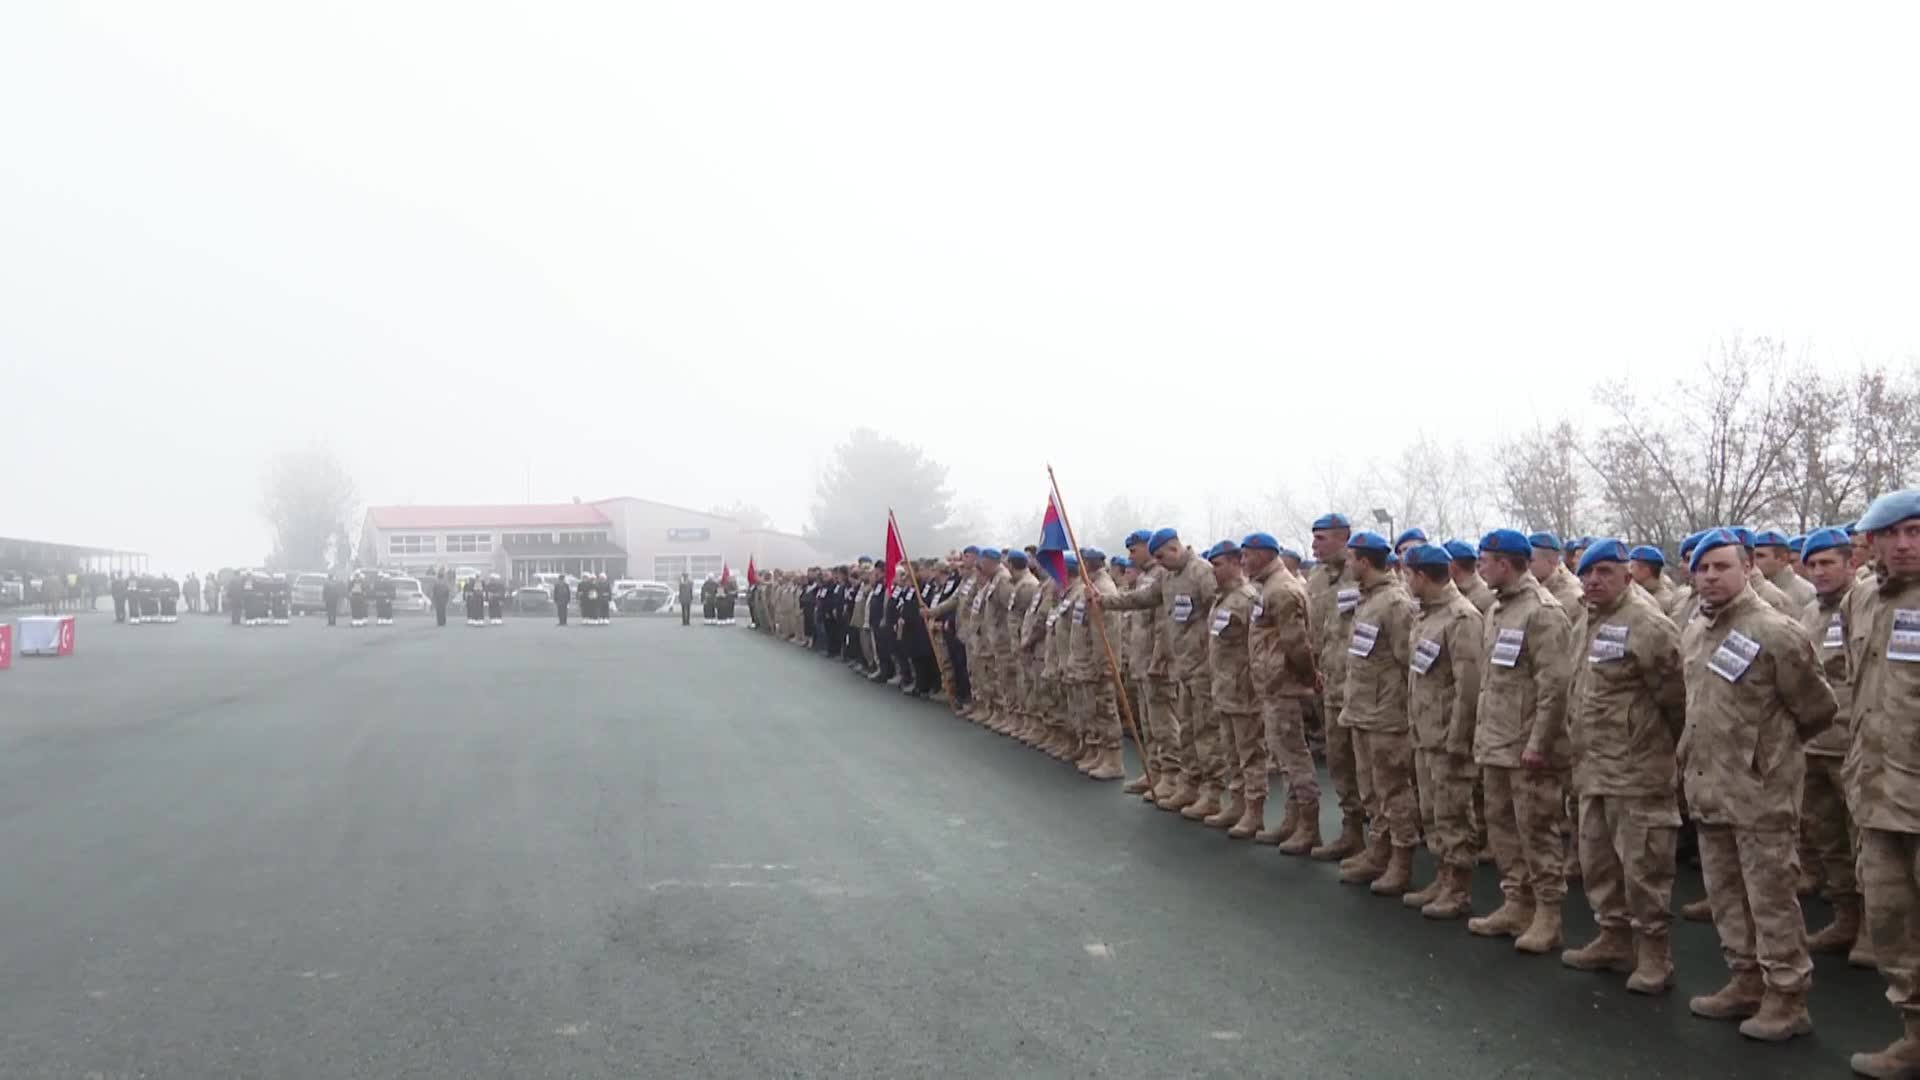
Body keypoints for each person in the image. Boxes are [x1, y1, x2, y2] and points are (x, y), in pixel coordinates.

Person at [1679, 528, 1836, 1042]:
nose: (1710, 577)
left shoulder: (1777, 631)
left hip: (1761, 793)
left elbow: (1817, 710)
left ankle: (1788, 998)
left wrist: (1765, 756)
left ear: (1748, 569)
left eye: (1722, 566)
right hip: (1709, 787)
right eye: (1702, 568)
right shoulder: (1695, 631)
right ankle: (1746, 982)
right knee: (1725, 895)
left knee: (1770, 898)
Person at [1560, 539, 1686, 994]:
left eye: (1607, 572)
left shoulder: (1649, 624)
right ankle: (1613, 937)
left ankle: (1655, 954)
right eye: (1588, 574)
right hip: (1593, 769)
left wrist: (1656, 749)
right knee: (1597, 861)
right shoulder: (1586, 621)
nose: (1594, 581)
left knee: (1645, 869)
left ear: (1628, 577)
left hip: (1638, 773)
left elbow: (1677, 700)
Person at [1467, 528, 1575, 955]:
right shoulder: (1498, 610)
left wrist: (1539, 743)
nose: (1480, 568)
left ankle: (1548, 913)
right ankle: (1516, 902)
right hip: (1496, 740)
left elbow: (1555, 687)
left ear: (1506, 564)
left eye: (1485, 561)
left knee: (1537, 830)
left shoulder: (1542, 612)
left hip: (1527, 745)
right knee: (1502, 826)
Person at [1842, 490, 1920, 1076]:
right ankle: (1915, 1035)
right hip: (1878, 790)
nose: (1904, 544)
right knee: (1892, 921)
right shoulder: (1863, 598)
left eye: (1916, 532)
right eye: (1891, 534)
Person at [1094, 529, 1220, 819]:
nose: (1159, 562)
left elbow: (1218, 609)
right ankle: (1183, 783)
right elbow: (1142, 599)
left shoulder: (1201, 572)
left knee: (1203, 731)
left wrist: (1165, 654)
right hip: (1183, 666)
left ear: (1174, 548)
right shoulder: (1167, 576)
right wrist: (1104, 601)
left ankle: (1211, 792)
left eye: (1162, 556)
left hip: (1201, 665)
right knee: (1185, 729)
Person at [1335, 531, 1422, 893]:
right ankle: (1378, 850)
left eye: (1351, 558)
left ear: (1365, 562)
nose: (1347, 564)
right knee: (1371, 789)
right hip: (1362, 710)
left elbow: (1408, 661)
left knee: (1393, 790)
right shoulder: (1367, 600)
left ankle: (1401, 861)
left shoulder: (1395, 603)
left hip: (1387, 715)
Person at [1401, 543, 1484, 916]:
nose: (1405, 581)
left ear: (1421, 575)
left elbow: (1469, 685)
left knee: (1454, 813)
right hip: (1425, 732)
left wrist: (1458, 739)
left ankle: (1459, 888)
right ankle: (1442, 876)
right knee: (1432, 812)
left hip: (1448, 736)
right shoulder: (1426, 616)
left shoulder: (1461, 617)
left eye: (1408, 574)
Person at [1795, 527, 1861, 959]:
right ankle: (1845, 919)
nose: (1819, 572)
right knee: (1828, 838)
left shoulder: (1865, 606)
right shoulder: (1809, 615)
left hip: (1854, 746)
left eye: (1828, 563)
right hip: (1814, 745)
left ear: (1850, 563)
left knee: (1863, 843)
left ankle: (1876, 930)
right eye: (1813, 564)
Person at [1305, 513, 1367, 858]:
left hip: (1364, 687)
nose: (1315, 545)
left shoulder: (1362, 575)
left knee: (1369, 769)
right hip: (1330, 682)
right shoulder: (1315, 579)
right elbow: (1313, 629)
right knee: (1339, 762)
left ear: (1344, 537)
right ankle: (1351, 829)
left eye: (1322, 538)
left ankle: (1385, 843)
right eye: (1313, 538)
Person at [1201, 540, 1263, 834]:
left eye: (1218, 564)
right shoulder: (1222, 598)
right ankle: (1236, 803)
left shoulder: (1248, 599)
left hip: (1244, 689)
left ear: (1236, 563)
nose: (1213, 570)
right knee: (1231, 750)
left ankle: (1254, 810)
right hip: (1224, 687)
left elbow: (1258, 646)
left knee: (1250, 753)